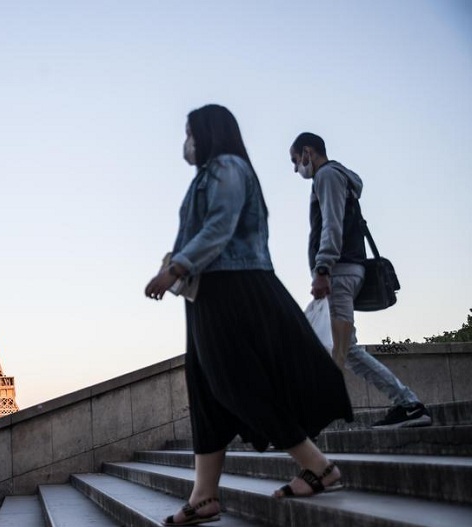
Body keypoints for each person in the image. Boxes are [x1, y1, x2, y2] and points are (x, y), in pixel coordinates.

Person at [146, 105, 353, 526]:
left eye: (190, 132)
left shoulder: (227, 167)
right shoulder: (208, 174)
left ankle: (320, 467)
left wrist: (174, 269)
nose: (186, 141)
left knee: (235, 384)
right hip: (208, 292)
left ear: (208, 132)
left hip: (233, 288)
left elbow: (220, 227)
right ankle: (204, 497)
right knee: (205, 389)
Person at [290, 132, 432, 429]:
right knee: (341, 349)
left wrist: (322, 268)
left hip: (338, 272)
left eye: (296, 161)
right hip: (347, 269)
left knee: (344, 349)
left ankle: (409, 404)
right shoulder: (341, 178)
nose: (296, 169)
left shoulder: (326, 175)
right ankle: (406, 404)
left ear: (307, 152)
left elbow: (332, 224)